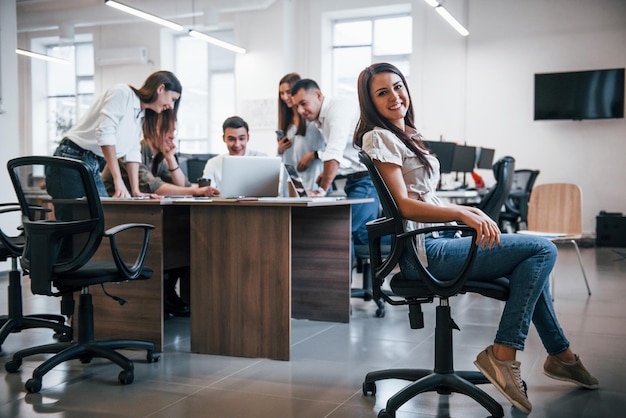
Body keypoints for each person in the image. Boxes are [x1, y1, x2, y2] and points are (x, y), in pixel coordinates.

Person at [354, 62, 598, 415]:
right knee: (542, 250)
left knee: (530, 264)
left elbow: (422, 196)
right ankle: (507, 353)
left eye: (398, 86)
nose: (395, 96)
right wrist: (461, 212)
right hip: (424, 251)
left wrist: (470, 211)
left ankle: (559, 354)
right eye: (382, 92)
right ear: (370, 102)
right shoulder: (379, 137)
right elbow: (405, 206)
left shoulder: (405, 133)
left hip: (434, 241)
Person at [48, 70, 182, 199]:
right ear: (160, 89)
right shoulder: (122, 93)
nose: (171, 106)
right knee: (77, 218)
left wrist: (136, 191)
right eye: (172, 99)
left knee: (100, 217)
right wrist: (118, 180)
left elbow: (132, 151)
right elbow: (105, 134)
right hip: (72, 158)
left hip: (93, 162)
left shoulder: (140, 114)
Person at [290, 79, 380, 254]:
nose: (301, 111)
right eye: (296, 107)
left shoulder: (337, 109)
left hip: (367, 181)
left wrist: (322, 190)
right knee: (363, 236)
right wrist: (326, 176)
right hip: (356, 181)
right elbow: (346, 152)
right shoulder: (321, 120)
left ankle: (344, 282)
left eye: (303, 103)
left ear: (318, 95)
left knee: (340, 231)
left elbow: (334, 151)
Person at [276, 72, 325, 191]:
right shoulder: (286, 124)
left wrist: (313, 155)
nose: (285, 97)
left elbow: (332, 148)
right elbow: (282, 158)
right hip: (291, 182)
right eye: (282, 93)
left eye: (288, 92)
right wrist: (280, 150)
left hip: (313, 178)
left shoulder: (313, 119)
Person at [201, 116, 266, 190]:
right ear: (224, 138)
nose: (237, 144)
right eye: (231, 139)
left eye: (241, 138)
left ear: (248, 138)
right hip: (222, 202)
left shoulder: (262, 159)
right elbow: (207, 190)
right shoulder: (213, 163)